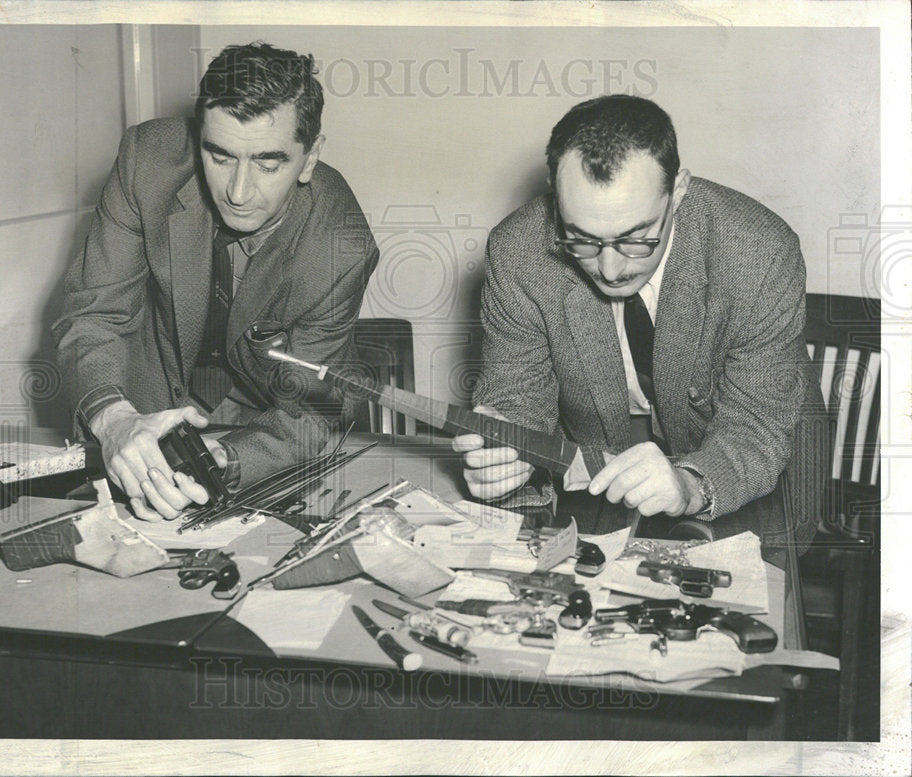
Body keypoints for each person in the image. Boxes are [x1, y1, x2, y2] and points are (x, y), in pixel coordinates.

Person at [454, 94, 826, 553]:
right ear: (554, 192)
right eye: (582, 239)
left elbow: (756, 427)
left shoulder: (760, 252)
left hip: (754, 466)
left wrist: (691, 485)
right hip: (602, 457)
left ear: (680, 190)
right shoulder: (517, 252)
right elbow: (518, 396)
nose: (610, 270)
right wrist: (505, 447)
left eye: (636, 239)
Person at [54, 43, 379, 521]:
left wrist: (221, 460)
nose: (239, 192)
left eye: (268, 164)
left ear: (309, 158)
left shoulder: (341, 245)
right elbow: (93, 313)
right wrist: (115, 418)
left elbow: (309, 414)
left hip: (259, 436)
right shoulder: (147, 161)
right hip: (136, 416)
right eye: (220, 155)